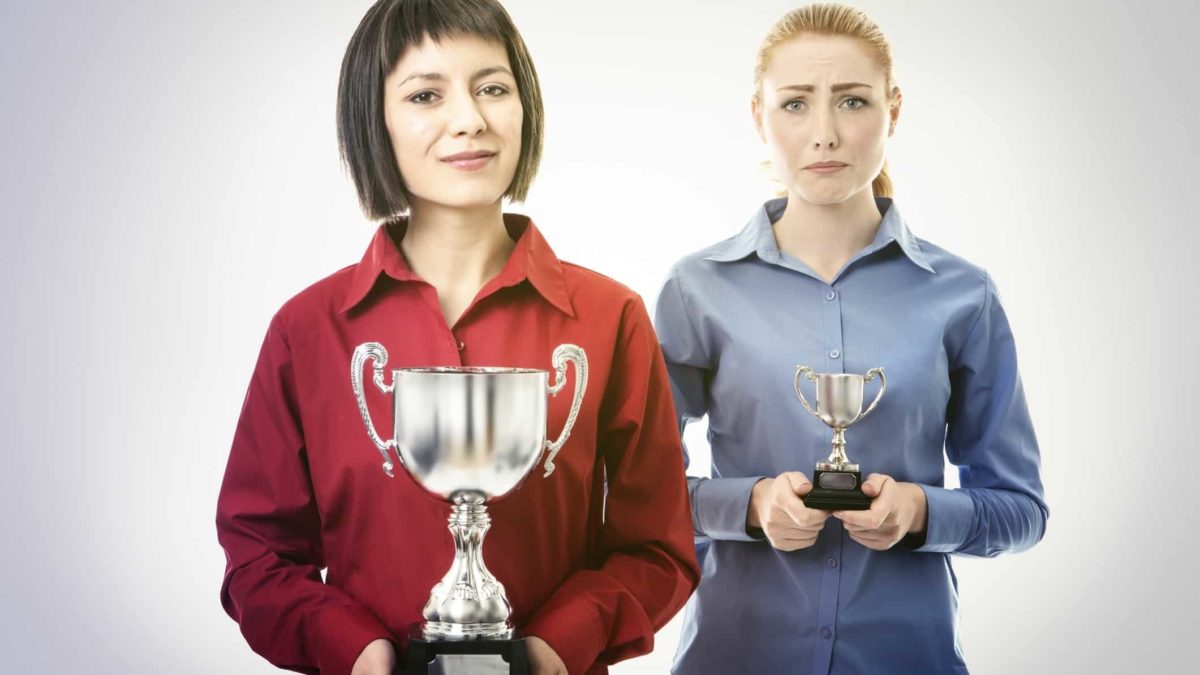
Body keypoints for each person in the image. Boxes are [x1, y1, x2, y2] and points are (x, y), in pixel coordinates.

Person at [215, 1, 699, 674]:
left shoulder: (610, 317)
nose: (469, 119)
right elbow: (259, 554)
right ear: (373, 119)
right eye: (425, 94)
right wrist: (360, 651)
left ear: (524, 106)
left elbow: (659, 547)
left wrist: (553, 647)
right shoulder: (306, 330)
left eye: (492, 88)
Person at [654, 4, 1048, 673]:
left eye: (853, 102)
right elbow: (634, 491)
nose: (825, 134)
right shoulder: (696, 290)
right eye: (796, 104)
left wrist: (921, 512)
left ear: (893, 111)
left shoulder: (964, 295)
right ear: (759, 117)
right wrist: (747, 505)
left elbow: (1021, 509)